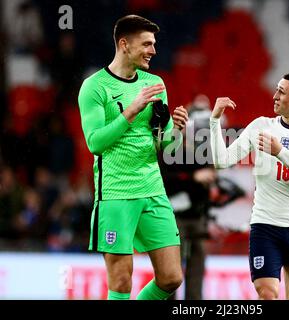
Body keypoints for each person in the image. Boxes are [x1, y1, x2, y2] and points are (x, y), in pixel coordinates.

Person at [78, 15, 189, 300]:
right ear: (124, 45)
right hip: (115, 194)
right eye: (147, 44)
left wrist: (176, 130)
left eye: (154, 44)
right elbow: (95, 143)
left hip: (153, 190)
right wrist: (131, 110)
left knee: (172, 278)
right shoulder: (95, 86)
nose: (153, 50)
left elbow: (165, 147)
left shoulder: (155, 84)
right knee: (121, 282)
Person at [209, 72, 289, 300]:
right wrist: (215, 120)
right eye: (276, 89)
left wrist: (280, 152)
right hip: (265, 226)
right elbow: (221, 161)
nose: (274, 96)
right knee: (267, 293)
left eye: (281, 92)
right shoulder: (261, 126)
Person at [161, 94, 217, 300]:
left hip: (197, 216)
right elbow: (164, 178)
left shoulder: (204, 149)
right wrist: (194, 177)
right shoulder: (171, 146)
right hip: (174, 217)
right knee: (171, 272)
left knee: (197, 267)